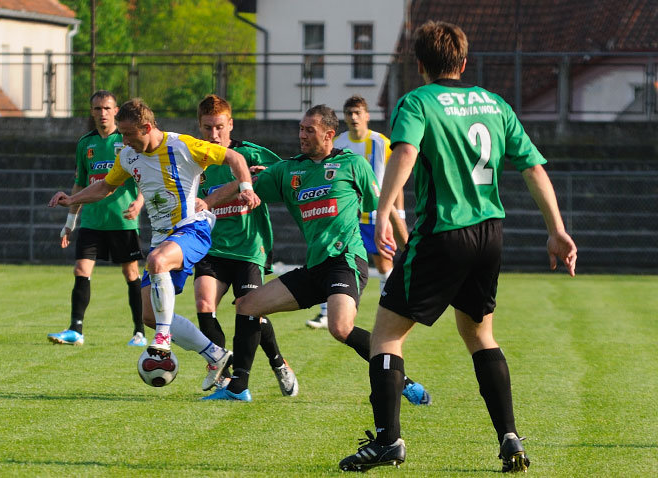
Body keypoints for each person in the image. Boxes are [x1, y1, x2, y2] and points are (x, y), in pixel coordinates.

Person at [338, 21, 577, 472]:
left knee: (387, 335)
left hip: (442, 233)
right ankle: (509, 436)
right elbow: (534, 169)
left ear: (420, 65)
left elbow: (404, 153)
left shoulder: (417, 101)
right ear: (463, 62)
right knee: (479, 334)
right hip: (490, 234)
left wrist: (385, 209)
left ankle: (389, 441)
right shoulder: (494, 102)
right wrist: (557, 230)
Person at [202, 105, 429, 405]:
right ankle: (238, 386)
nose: (302, 135)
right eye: (300, 129)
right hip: (314, 268)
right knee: (247, 306)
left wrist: (411, 250)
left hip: (345, 262)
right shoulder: (288, 170)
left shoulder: (352, 164)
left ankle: (402, 380)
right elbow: (248, 185)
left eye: (310, 130)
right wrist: (207, 202)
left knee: (340, 328)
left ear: (329, 134)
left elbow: (384, 203)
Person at [49, 98, 261, 385]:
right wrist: (72, 200)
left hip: (192, 228)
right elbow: (106, 186)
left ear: (146, 127)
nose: (123, 139)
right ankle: (216, 355)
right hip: (164, 237)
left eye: (128, 134)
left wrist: (245, 187)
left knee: (157, 262)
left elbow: (234, 158)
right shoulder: (127, 155)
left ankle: (162, 339)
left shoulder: (183, 145)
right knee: (150, 313)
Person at [193, 94, 298, 396]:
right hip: (212, 248)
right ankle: (227, 376)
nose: (214, 135)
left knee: (250, 310)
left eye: (219, 127)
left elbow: (288, 174)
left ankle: (277, 361)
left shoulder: (251, 154)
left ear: (231, 125)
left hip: (249, 249)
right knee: (203, 304)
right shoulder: (195, 159)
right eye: (207, 128)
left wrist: (268, 177)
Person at [47, 90, 146, 347]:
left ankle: (139, 331)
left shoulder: (126, 140)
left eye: (107, 108)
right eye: (97, 109)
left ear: (115, 111)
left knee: (131, 273)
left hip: (122, 220)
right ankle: (75, 330)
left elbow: (145, 175)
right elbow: (80, 184)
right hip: (92, 220)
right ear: (92, 112)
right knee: (81, 270)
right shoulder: (85, 143)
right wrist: (69, 223)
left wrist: (139, 202)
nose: (102, 113)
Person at [306, 95, 406, 330]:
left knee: (384, 263)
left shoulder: (382, 143)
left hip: (375, 215)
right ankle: (324, 314)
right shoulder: (339, 143)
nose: (353, 117)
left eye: (357, 113)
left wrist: (398, 214)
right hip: (345, 217)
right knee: (330, 261)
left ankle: (390, 309)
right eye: (349, 113)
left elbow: (396, 181)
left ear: (367, 116)